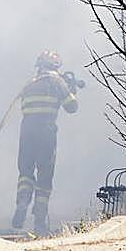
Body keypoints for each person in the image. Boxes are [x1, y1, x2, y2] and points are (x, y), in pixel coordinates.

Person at [12, 50, 79, 235]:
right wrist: (71, 89)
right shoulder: (57, 82)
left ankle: (22, 201)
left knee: (25, 172)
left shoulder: (29, 84)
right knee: (44, 175)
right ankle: (40, 222)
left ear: (39, 65)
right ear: (56, 66)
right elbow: (72, 107)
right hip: (46, 132)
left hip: (26, 132)